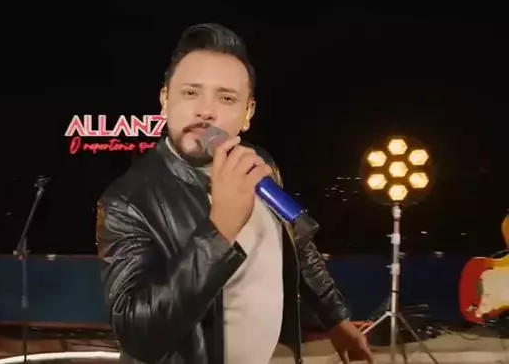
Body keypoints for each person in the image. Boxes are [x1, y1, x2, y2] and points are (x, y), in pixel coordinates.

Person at [96, 23, 374, 364]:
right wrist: (220, 231)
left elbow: (298, 247)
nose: (206, 111)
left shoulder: (259, 164)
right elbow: (139, 336)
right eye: (190, 93)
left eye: (226, 98)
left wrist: (336, 320)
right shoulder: (126, 201)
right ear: (165, 101)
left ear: (248, 114)